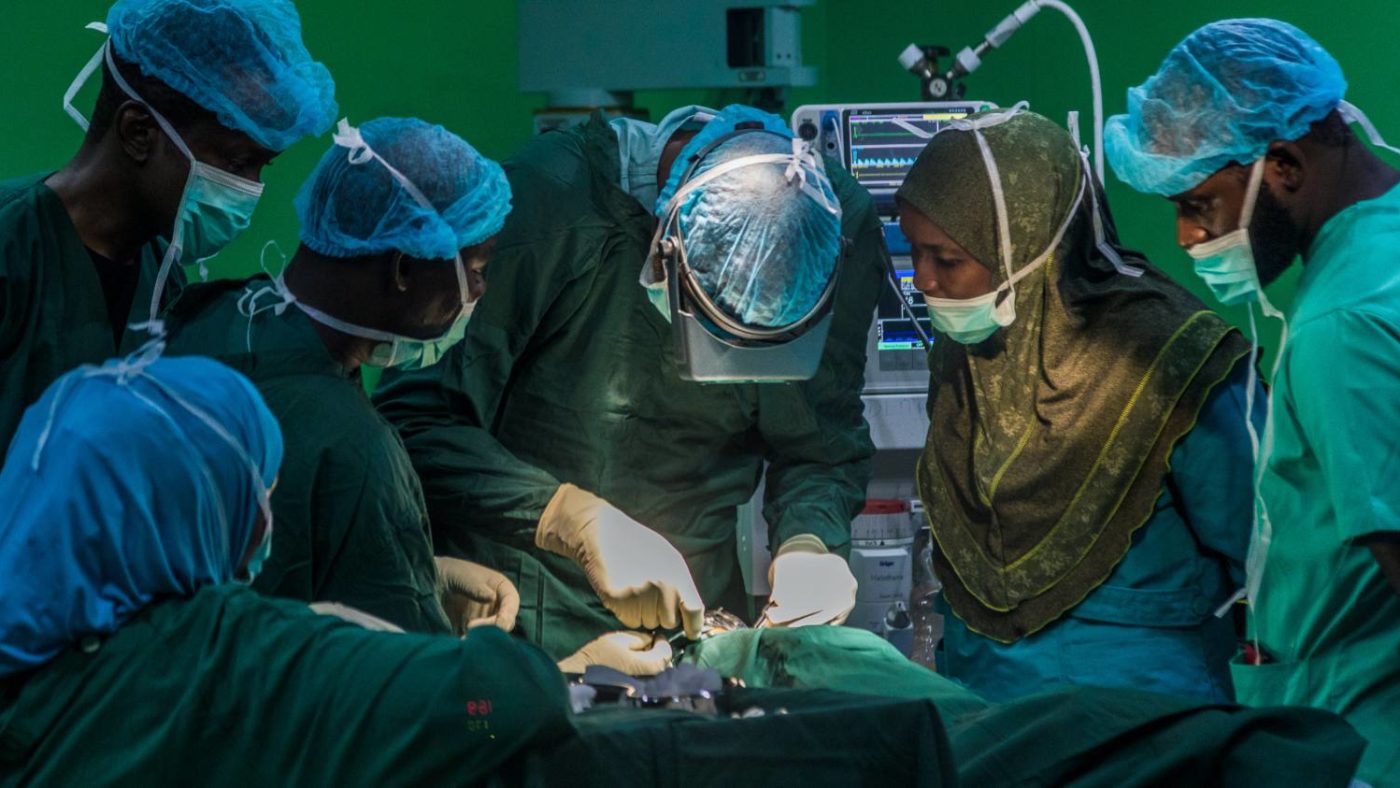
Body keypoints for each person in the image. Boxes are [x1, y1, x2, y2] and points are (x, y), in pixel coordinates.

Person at [375, 104, 885, 663]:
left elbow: (821, 443)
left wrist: (808, 542)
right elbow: (413, 423)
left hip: (700, 622)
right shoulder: (551, 205)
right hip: (518, 616)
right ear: (664, 249)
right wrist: (566, 517)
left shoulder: (831, 227)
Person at [0, 353, 572, 784]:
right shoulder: (236, 659)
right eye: (260, 495)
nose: (267, 521)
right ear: (206, 509)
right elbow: (503, 703)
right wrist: (536, 668)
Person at [1106, 18, 1400, 784]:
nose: (1183, 235)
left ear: (1285, 166)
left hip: (1364, 729)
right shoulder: (1383, 250)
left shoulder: (1341, 324)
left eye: (1201, 202)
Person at [897, 108, 1258, 703]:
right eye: (915, 252)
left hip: (1144, 719)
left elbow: (1266, 546)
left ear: (1028, 246)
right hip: (991, 708)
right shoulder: (977, 345)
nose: (924, 281)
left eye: (947, 260)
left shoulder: (1173, 358)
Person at [164, 117, 519, 635]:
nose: (480, 291)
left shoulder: (211, 319)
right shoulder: (353, 446)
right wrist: (556, 678)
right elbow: (407, 689)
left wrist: (419, 569)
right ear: (402, 268)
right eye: (477, 267)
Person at [0, 0, 336, 460]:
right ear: (139, 132)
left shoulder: (160, 272)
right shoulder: (13, 245)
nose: (249, 190)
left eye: (260, 167)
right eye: (237, 163)